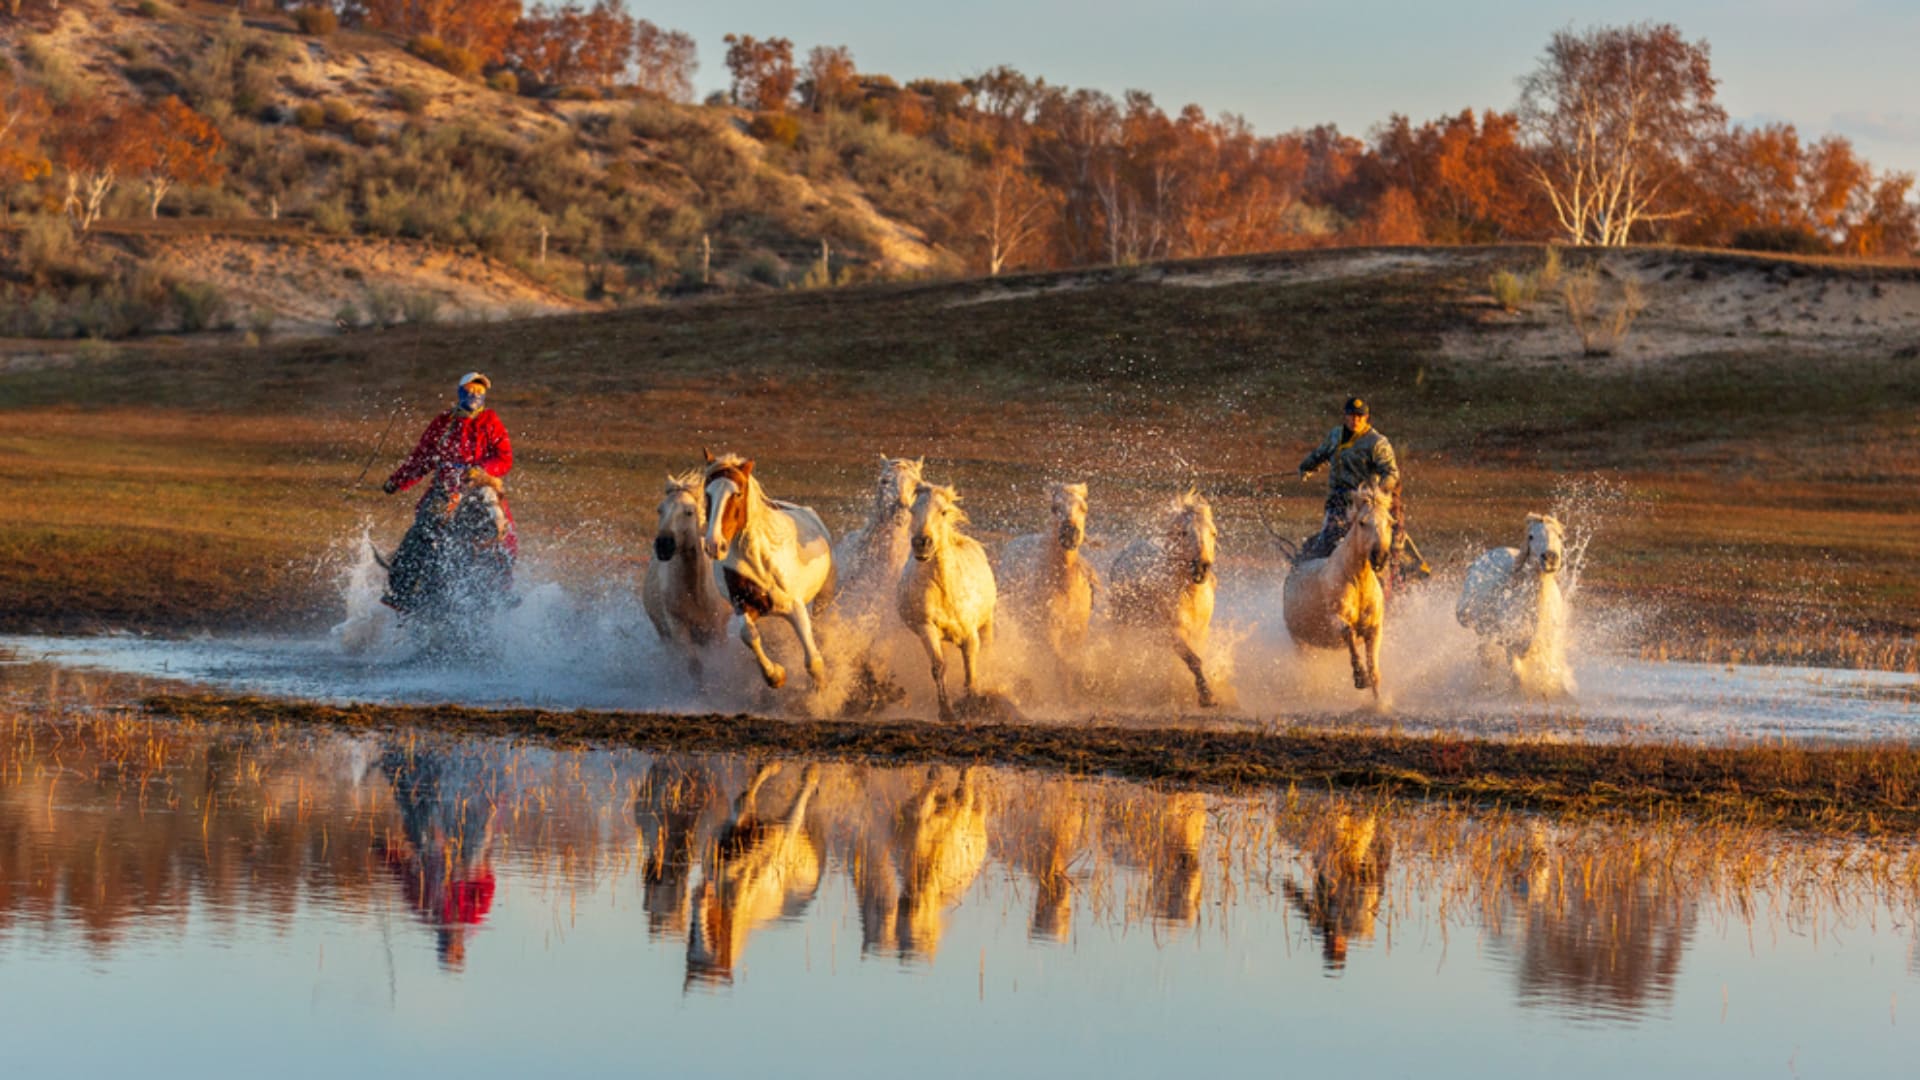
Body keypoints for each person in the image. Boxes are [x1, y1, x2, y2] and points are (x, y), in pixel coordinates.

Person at [379, 372, 516, 613]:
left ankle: (503, 590)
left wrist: (482, 471)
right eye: (471, 390)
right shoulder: (443, 422)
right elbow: (422, 458)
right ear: (460, 392)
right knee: (423, 531)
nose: (475, 395)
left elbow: (504, 458)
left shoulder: (491, 421)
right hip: (446, 490)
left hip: (481, 486)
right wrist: (398, 481)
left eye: (480, 391)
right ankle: (401, 591)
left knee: (501, 532)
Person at [1296, 396, 1426, 575]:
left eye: (1359, 416)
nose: (1355, 420)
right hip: (1338, 501)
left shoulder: (1377, 443)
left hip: (1365, 501)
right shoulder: (1335, 435)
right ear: (1345, 416)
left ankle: (1408, 571)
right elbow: (1320, 454)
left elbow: (1391, 473)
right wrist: (1306, 467)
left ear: (1366, 418)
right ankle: (1307, 574)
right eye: (1351, 416)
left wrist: (1378, 493)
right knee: (1327, 540)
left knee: (1385, 541)